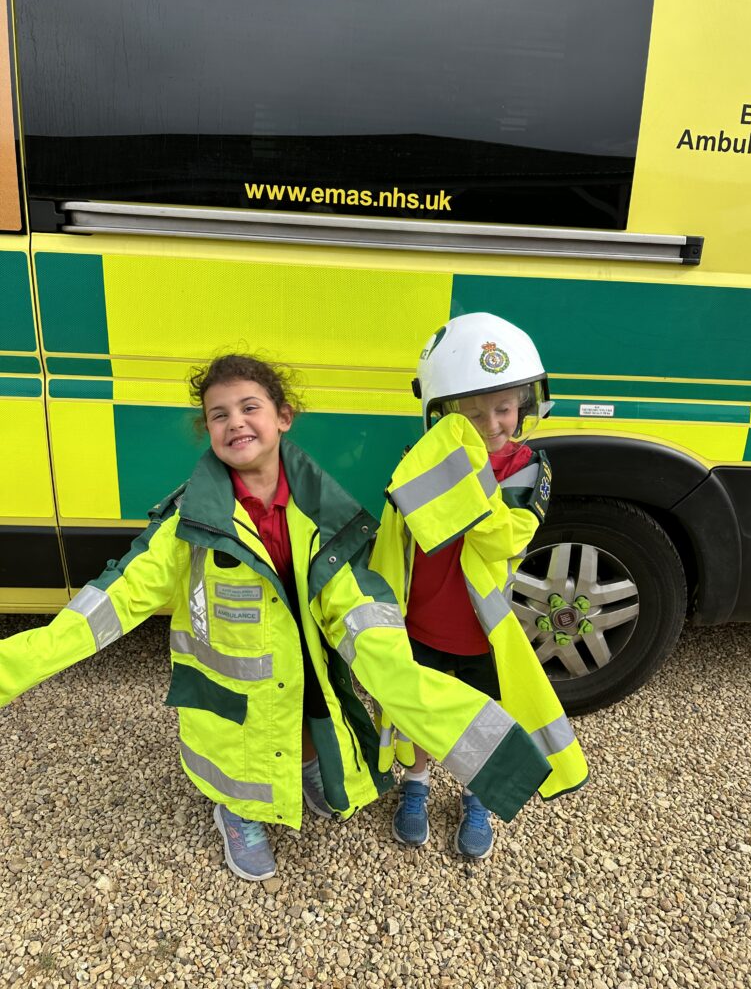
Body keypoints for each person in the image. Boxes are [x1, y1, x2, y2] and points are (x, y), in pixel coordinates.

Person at [0, 351, 562, 881]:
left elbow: (354, 601)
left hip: (302, 670)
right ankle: (238, 813)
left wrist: (387, 657)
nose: (235, 423)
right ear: (207, 430)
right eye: (218, 414)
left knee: (321, 711)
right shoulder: (190, 522)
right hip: (229, 694)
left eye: (250, 408)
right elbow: (113, 602)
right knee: (237, 755)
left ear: (283, 417)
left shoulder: (323, 507)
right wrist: (15, 664)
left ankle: (309, 770)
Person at [370, 313, 589, 859]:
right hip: (419, 620)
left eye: (503, 408)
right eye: (469, 414)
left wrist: (458, 477)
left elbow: (503, 538)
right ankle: (415, 785)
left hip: (482, 633)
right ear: (442, 417)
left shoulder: (528, 469)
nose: (491, 424)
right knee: (416, 710)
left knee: (481, 718)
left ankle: (476, 796)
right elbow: (394, 539)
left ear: (525, 406)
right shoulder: (417, 463)